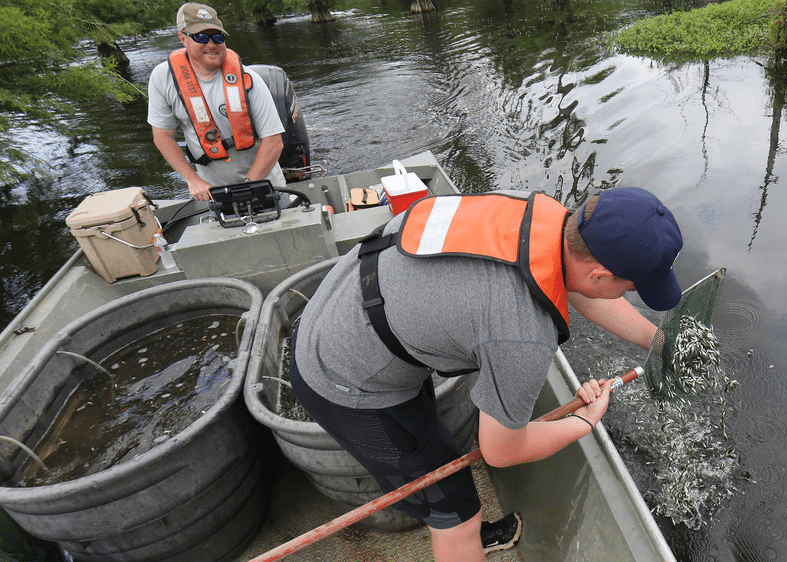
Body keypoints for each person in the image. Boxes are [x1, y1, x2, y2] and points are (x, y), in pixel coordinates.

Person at [290, 187, 683, 561]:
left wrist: (660, 342)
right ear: (600, 275)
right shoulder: (523, 334)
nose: (629, 295)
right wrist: (583, 421)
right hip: (344, 381)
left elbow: (574, 285)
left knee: (433, 446)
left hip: (340, 309)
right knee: (456, 512)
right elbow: (501, 450)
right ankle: (463, 536)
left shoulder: (536, 214)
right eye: (630, 288)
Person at [147, 3, 286, 202]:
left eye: (218, 37)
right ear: (183, 38)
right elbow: (162, 136)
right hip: (213, 195)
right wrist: (192, 180)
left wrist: (248, 187)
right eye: (201, 37)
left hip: (264, 185)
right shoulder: (162, 78)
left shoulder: (249, 79)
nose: (212, 44)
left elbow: (274, 142)